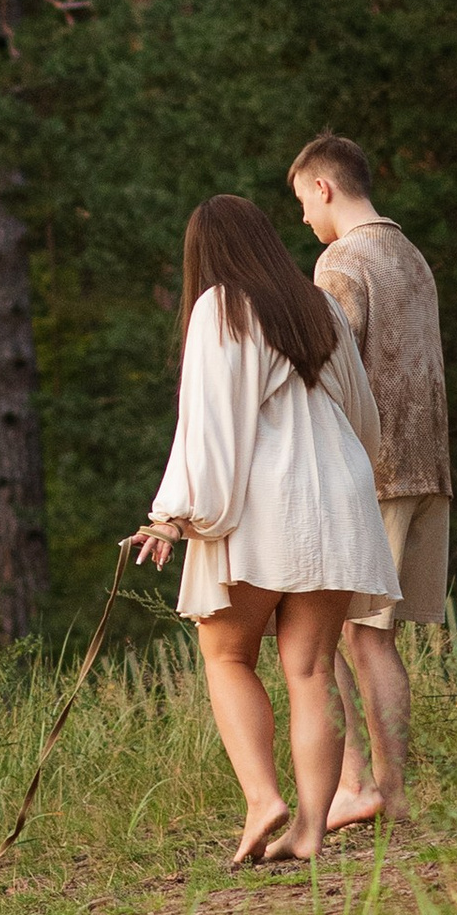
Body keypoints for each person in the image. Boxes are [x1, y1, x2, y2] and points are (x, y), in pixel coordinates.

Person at [132, 192, 397, 867]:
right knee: (310, 668)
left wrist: (175, 514)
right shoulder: (320, 304)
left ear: (206, 251)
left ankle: (262, 800)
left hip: (264, 502)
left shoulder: (219, 306)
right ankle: (310, 829)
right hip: (337, 495)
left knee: (226, 655)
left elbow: (211, 425)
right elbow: (362, 415)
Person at [288, 130, 450, 828]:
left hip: (373, 472)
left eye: (301, 201)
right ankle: (393, 790)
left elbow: (326, 370)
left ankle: (363, 785)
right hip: (430, 465)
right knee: (375, 637)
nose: (302, 218)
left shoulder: (340, 262)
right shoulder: (412, 257)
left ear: (324, 188)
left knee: (346, 638)